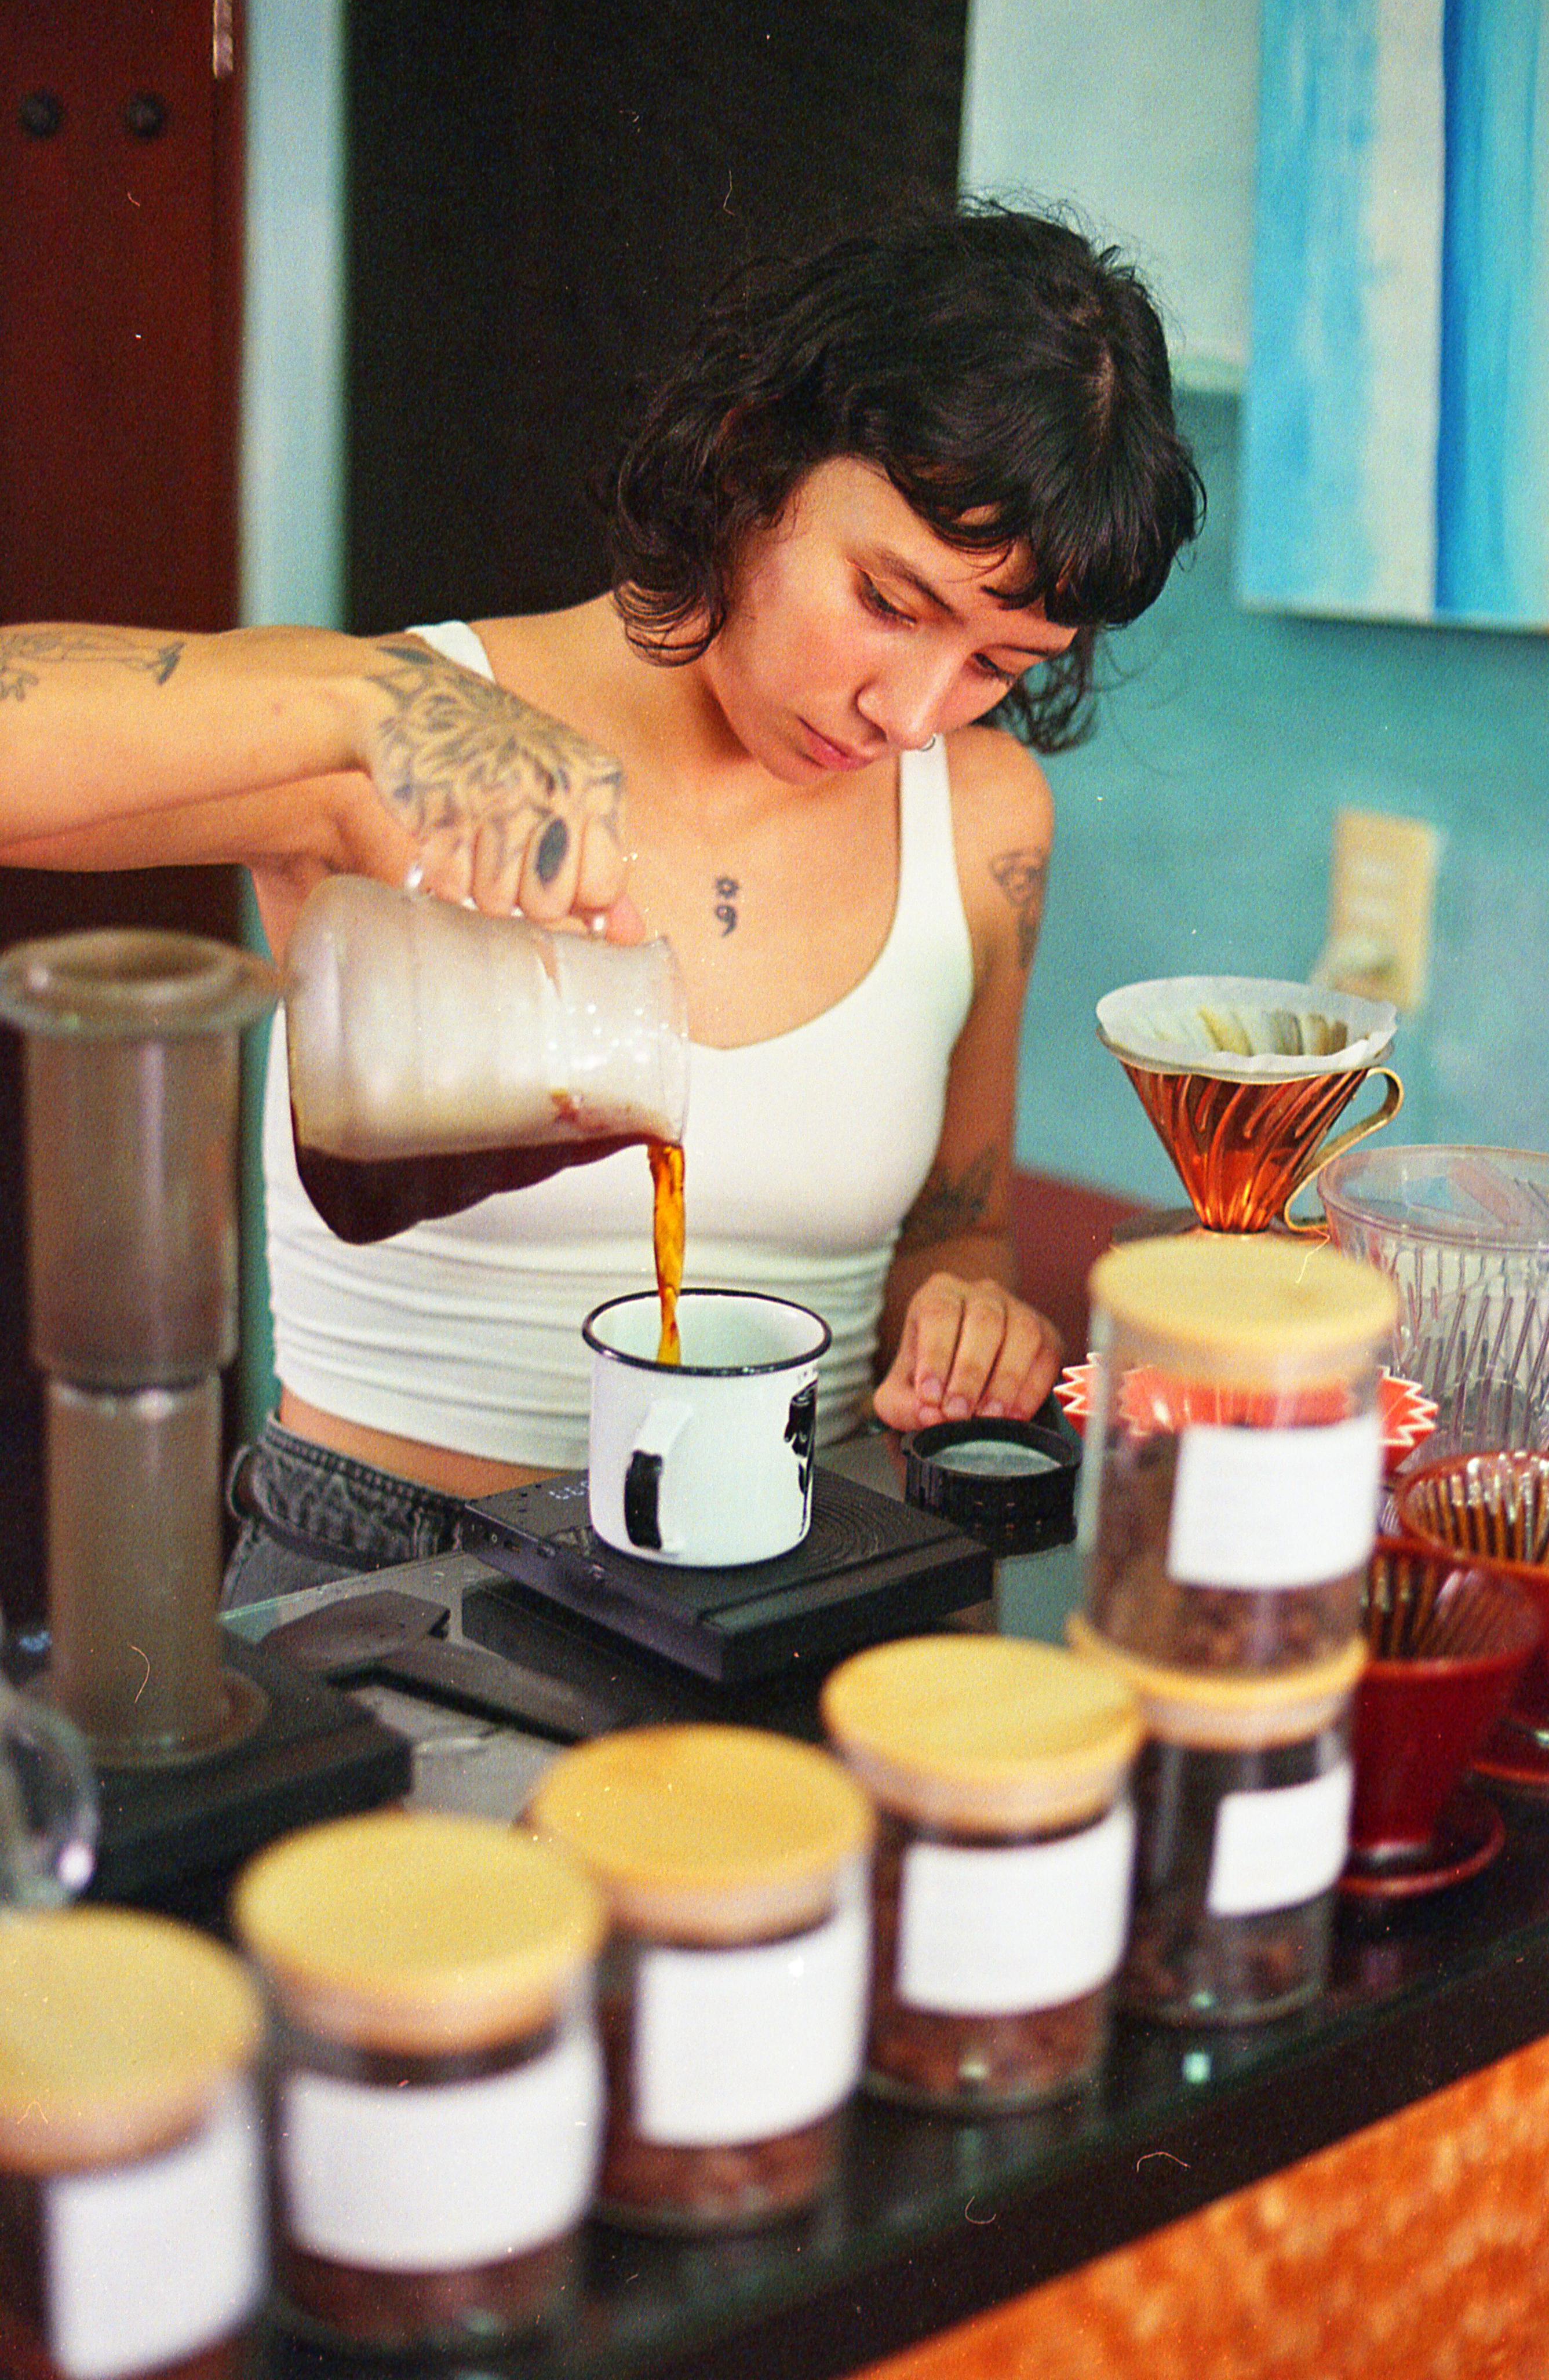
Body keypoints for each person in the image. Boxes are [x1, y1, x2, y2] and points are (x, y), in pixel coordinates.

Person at [0, 203, 1202, 1602]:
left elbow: (953, 1221)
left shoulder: (986, 819)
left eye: (997, 662)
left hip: (797, 1574)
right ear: (756, 458)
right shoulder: (411, 738)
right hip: (399, 1579)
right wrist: (370, 695)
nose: (912, 712)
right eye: (889, 600)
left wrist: (965, 1312)